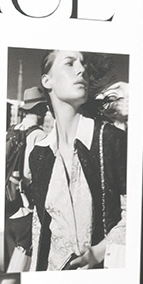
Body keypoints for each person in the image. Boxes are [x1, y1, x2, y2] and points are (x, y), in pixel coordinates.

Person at [27, 49, 126, 270]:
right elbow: (39, 227)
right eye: (69, 63)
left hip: (101, 275)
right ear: (47, 81)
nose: (81, 70)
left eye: (83, 64)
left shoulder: (111, 140)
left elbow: (138, 213)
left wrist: (99, 252)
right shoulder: (39, 154)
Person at [5, 87, 49, 271]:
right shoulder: (39, 135)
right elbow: (32, 174)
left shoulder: (12, 130)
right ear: (40, 109)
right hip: (26, 206)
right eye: (44, 107)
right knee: (22, 262)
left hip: (9, 201)